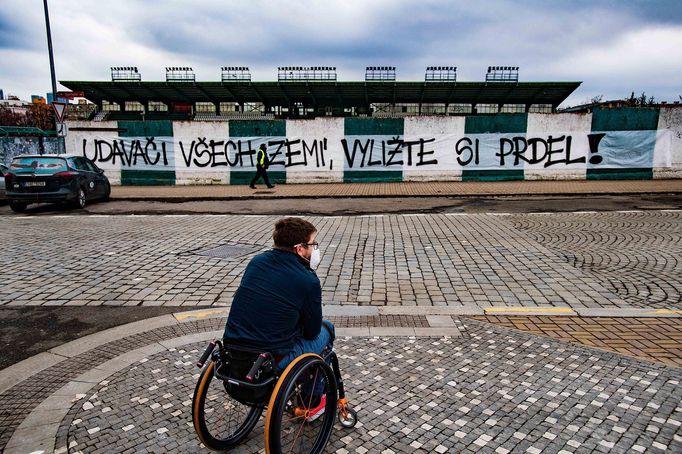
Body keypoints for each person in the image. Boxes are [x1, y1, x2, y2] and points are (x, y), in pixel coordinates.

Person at [223, 217, 333, 419]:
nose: (315, 250)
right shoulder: (308, 280)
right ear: (300, 249)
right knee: (327, 331)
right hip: (272, 359)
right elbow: (312, 331)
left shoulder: (256, 262)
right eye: (313, 244)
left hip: (234, 351)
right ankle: (313, 401)